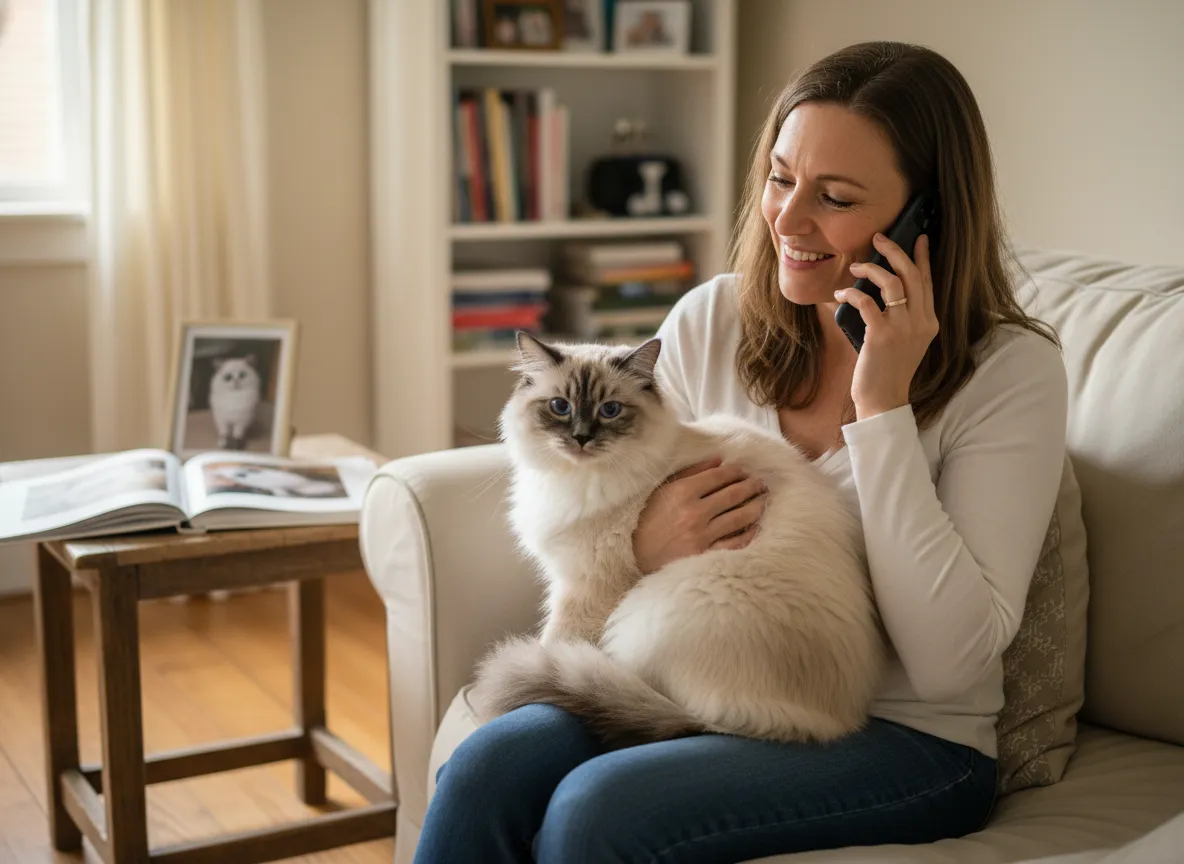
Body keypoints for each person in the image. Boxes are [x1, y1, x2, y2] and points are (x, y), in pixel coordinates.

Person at [413, 41, 1068, 863]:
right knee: (487, 765)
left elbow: (947, 666)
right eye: (781, 179)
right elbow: (632, 523)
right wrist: (646, 548)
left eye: (833, 197)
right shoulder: (711, 320)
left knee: (597, 811)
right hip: (698, 676)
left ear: (924, 218)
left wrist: (883, 408)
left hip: (914, 740)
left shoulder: (1012, 372)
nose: (788, 222)